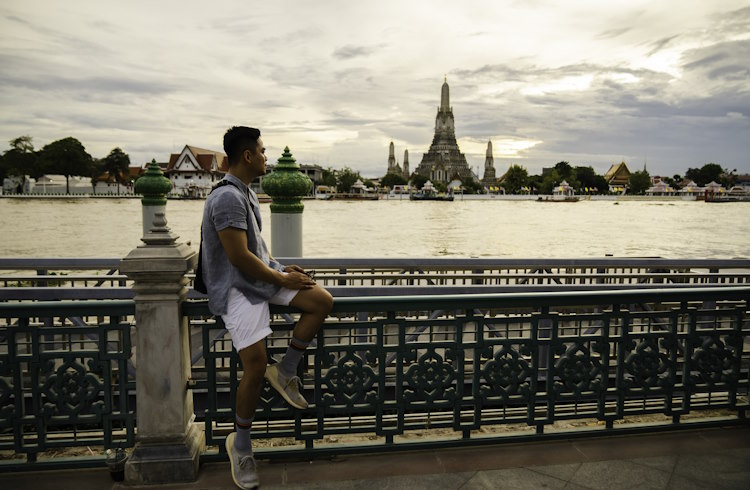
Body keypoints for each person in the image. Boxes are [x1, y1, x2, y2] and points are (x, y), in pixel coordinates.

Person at [200, 126, 333, 489]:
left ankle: (286, 370)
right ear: (246, 156)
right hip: (237, 289)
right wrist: (281, 280)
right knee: (255, 366)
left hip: (261, 278)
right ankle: (240, 445)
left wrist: (282, 268)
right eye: (261, 151)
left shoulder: (248, 194)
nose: (265, 157)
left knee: (321, 301)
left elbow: (257, 250)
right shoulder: (226, 198)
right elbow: (239, 258)